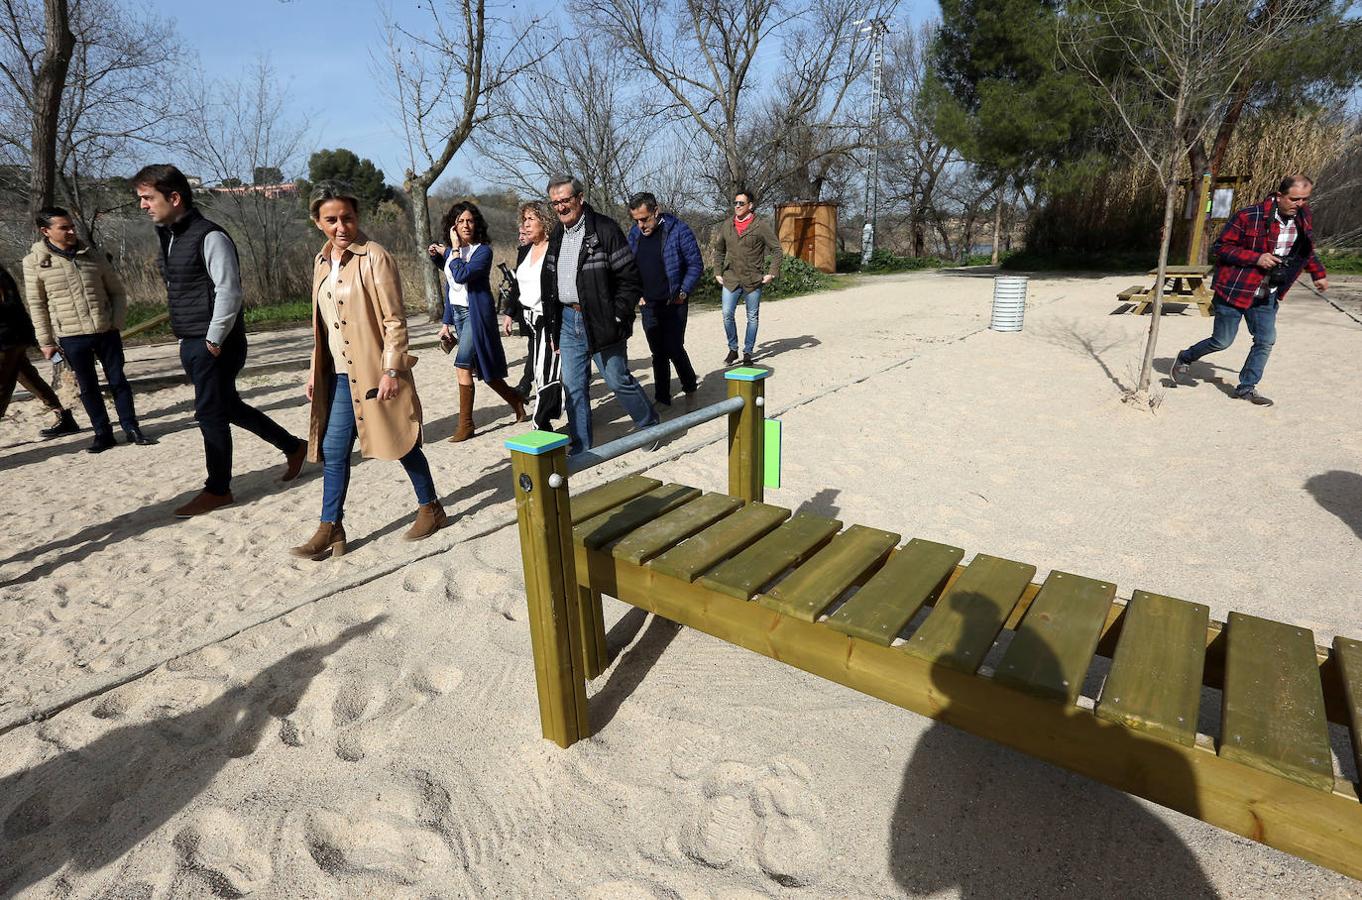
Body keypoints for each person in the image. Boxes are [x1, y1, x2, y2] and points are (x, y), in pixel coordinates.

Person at [133, 164, 307, 517]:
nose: (143, 205)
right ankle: (293, 446)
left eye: (148, 198)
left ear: (175, 197)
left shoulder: (209, 235)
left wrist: (213, 339)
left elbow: (229, 290)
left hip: (215, 341)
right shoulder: (169, 235)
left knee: (209, 413)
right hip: (193, 339)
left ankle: (218, 490)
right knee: (227, 406)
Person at [290, 184, 445, 558]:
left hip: (376, 371)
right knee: (333, 448)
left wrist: (392, 370)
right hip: (341, 375)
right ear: (317, 222)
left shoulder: (375, 257)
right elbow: (323, 326)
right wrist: (315, 371)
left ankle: (431, 508)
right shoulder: (321, 261)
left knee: (399, 440)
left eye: (348, 217)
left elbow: (395, 320)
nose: (341, 226)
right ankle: (332, 527)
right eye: (332, 220)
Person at [1171, 175, 1329, 407]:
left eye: (1305, 199)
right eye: (1294, 199)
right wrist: (1257, 258)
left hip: (1268, 291)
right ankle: (1186, 356)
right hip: (1235, 289)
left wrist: (1318, 273)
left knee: (1266, 340)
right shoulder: (1249, 216)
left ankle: (1246, 388)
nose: (1300, 204)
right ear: (1279, 195)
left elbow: (1306, 249)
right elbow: (1221, 247)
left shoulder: (1303, 217)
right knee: (1222, 341)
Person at [542, 175, 658, 456]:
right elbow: (549, 284)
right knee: (573, 386)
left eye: (565, 200)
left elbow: (630, 278)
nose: (560, 207)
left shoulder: (605, 230)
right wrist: (553, 329)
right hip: (568, 321)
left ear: (580, 199)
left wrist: (618, 315)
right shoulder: (557, 234)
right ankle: (581, 444)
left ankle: (650, 425)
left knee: (617, 379)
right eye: (555, 203)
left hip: (601, 319)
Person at [22, 206, 151, 453]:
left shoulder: (93, 255)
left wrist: (115, 322)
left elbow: (117, 292)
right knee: (87, 386)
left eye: (72, 226)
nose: (71, 231)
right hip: (71, 336)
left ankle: (131, 428)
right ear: (45, 231)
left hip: (106, 331)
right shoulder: (35, 262)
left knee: (118, 381)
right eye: (64, 227)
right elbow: (37, 305)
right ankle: (103, 434)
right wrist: (46, 342)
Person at [428, 201, 525, 442]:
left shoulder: (483, 251)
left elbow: (461, 274)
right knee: (486, 371)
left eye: (470, 220)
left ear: (477, 223)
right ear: (453, 225)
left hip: (476, 316)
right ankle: (516, 401)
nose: (466, 225)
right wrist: (445, 323)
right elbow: (451, 287)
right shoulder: (452, 253)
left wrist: (452, 250)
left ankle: (466, 425)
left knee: (462, 366)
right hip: (459, 316)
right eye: (460, 221)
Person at [626, 192, 701, 407]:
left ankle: (690, 388)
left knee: (674, 348)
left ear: (655, 211)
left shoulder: (679, 230)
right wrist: (636, 292)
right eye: (636, 220)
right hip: (648, 304)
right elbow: (629, 267)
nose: (640, 225)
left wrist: (684, 291)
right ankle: (662, 398)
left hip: (674, 301)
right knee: (658, 353)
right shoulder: (634, 234)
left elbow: (695, 265)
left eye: (644, 219)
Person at [499, 200, 562, 430]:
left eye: (530, 219)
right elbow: (517, 286)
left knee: (546, 372)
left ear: (544, 221)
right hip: (529, 320)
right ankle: (547, 417)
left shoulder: (555, 248)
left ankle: (541, 422)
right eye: (523, 219)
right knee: (537, 370)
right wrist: (509, 313)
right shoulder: (525, 250)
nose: (524, 225)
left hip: (550, 320)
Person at [0, 261, 80, 438]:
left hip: (6, 338)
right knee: (28, 377)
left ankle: (63, 417)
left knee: (3, 385)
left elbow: (9, 308)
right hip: (14, 336)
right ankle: (63, 416)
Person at [714, 187, 781, 366]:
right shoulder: (727, 224)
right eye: (735, 203)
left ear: (750, 206)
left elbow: (776, 250)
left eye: (741, 203)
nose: (737, 206)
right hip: (731, 278)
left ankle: (748, 352)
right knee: (727, 314)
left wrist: (772, 273)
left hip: (753, 279)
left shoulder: (761, 226)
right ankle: (733, 349)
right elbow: (719, 249)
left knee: (752, 317)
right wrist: (717, 271)